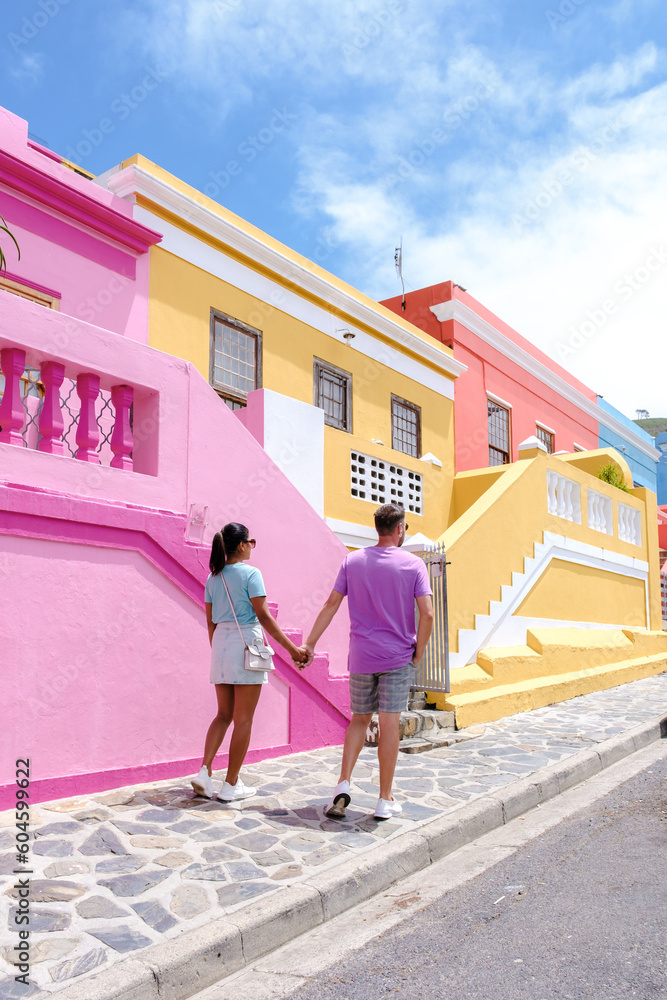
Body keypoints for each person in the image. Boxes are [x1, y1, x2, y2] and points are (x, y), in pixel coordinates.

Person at [300, 503, 434, 820]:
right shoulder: (414, 565)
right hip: (398, 657)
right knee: (388, 725)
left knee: (359, 719)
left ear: (378, 528)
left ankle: (343, 784)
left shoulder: (353, 561)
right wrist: (420, 651)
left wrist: (310, 642)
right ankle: (384, 799)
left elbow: (331, 603)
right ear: (400, 528)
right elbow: (427, 614)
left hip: (361, 657)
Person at [192, 522, 307, 801]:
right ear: (242, 545)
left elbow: (209, 621)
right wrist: (293, 649)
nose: (252, 547)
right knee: (243, 720)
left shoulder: (213, 578)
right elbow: (264, 616)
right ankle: (230, 785)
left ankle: (204, 773)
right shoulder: (251, 574)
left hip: (220, 644)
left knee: (223, 715)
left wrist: (220, 651)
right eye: (251, 542)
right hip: (247, 645)